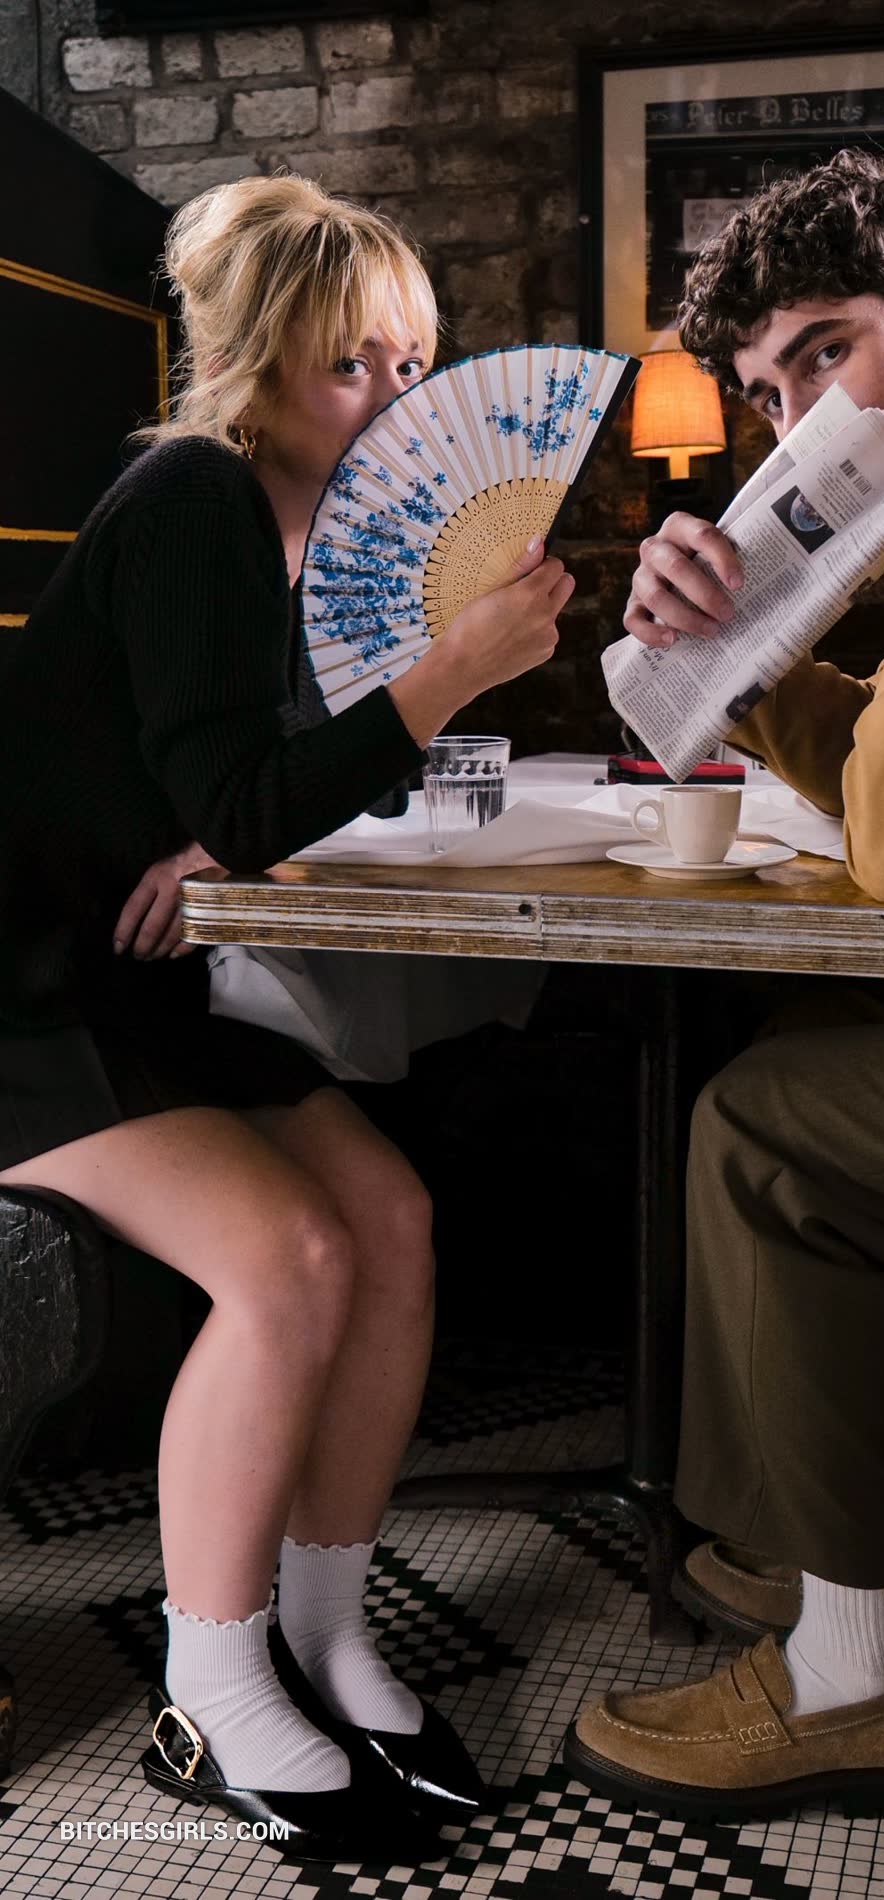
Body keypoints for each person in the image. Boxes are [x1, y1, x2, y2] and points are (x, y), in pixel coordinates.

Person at [0, 172, 574, 1863]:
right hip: (21, 990)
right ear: (258, 370)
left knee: (388, 1219)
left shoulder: (291, 522)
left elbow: (248, 783)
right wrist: (450, 674)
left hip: (124, 969)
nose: (395, 400)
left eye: (411, 362)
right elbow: (260, 792)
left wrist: (212, 827)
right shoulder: (193, 494)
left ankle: (325, 1637)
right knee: (293, 1257)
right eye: (350, 366)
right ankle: (211, 1685)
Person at [565, 148, 884, 1822]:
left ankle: (859, 1680)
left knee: (767, 1133)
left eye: (828, 354)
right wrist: (745, 666)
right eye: (773, 392)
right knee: (816, 1031)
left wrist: (757, 644)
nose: (802, 420)